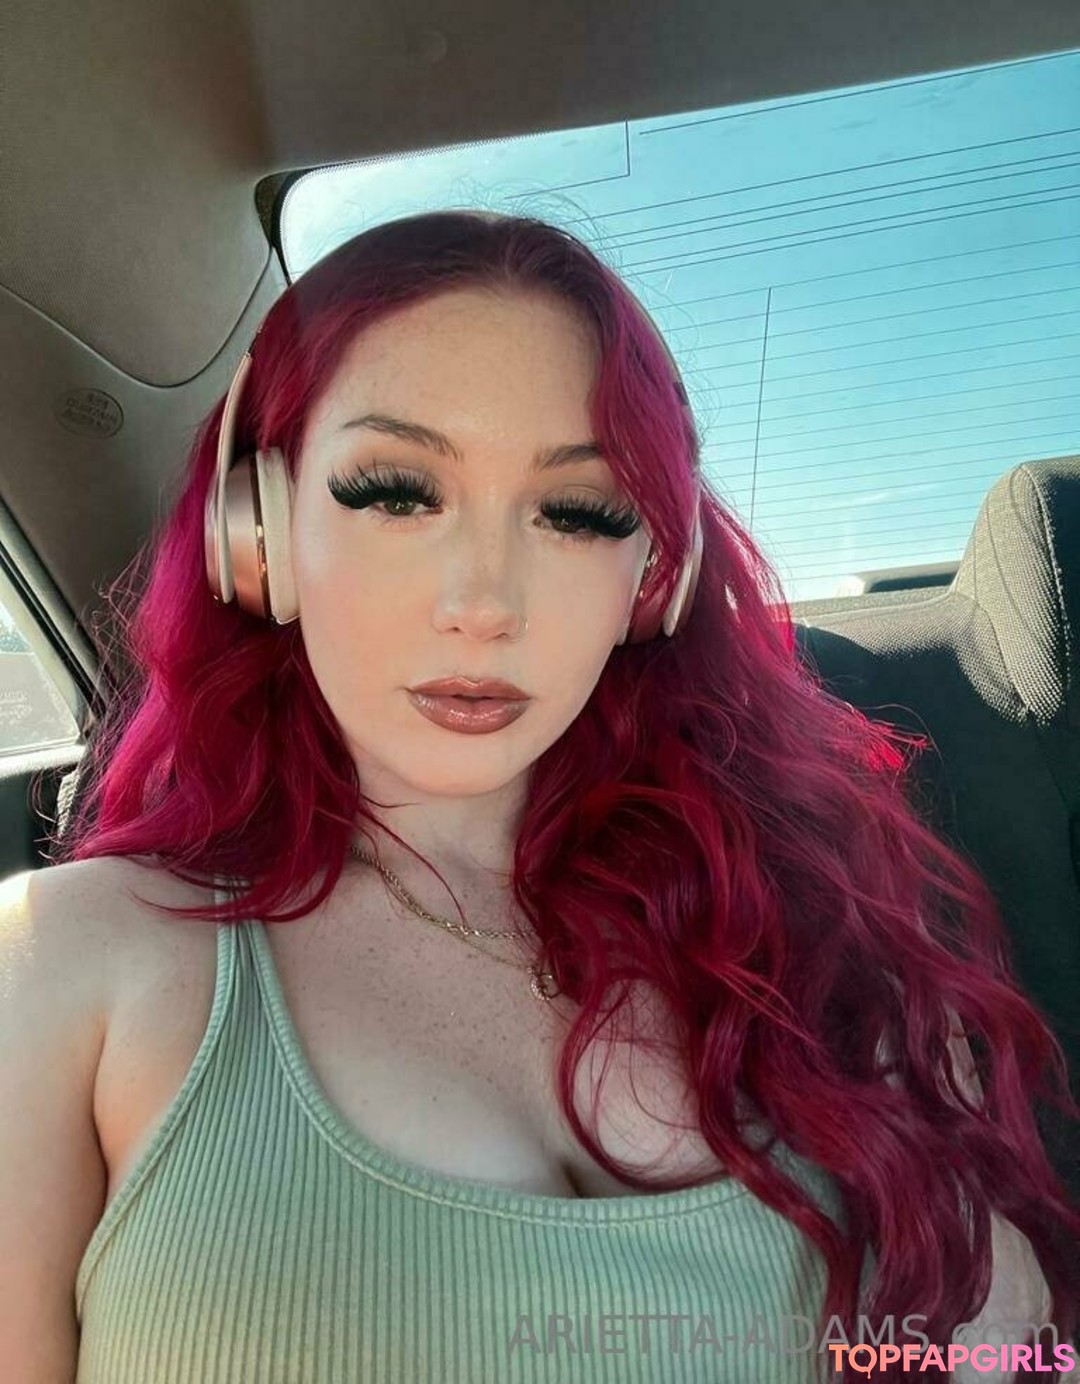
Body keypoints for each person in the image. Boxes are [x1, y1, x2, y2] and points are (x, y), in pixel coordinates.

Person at [6, 210, 1078, 1383]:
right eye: (395, 491)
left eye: (579, 511)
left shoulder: (823, 940)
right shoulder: (60, 960)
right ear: (255, 530)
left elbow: (1010, 1346)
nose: (484, 602)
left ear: (654, 577)